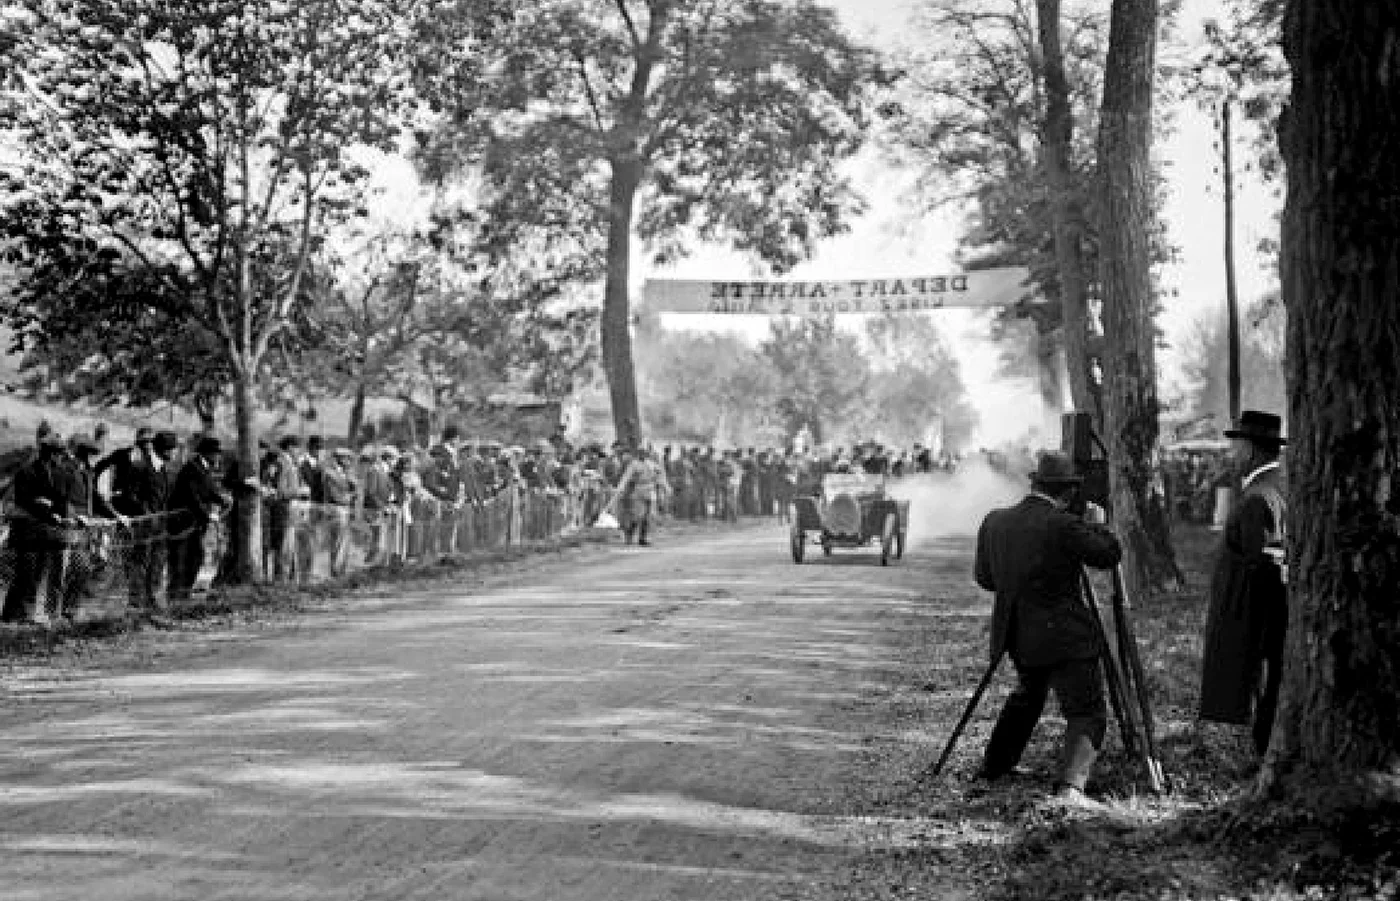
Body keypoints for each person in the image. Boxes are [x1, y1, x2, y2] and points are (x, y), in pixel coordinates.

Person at [973, 450, 1122, 806]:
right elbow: (1108, 554)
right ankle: (1070, 788)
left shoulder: (995, 520)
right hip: (1065, 637)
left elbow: (985, 579)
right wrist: (1095, 524)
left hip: (1017, 634)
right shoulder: (1064, 525)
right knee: (1086, 711)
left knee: (1028, 695)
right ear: (1069, 492)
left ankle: (996, 765)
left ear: (1036, 483)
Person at [1199, 410, 1288, 755]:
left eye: (1236, 446)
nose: (1231, 454)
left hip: (1258, 613)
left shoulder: (1256, 498)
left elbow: (1263, 562)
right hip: (1276, 610)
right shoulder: (1283, 485)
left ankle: (1265, 751)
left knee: (1267, 684)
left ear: (1250, 450)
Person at [96, 429, 176, 612]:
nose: (172, 453)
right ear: (160, 449)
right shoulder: (139, 466)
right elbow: (130, 496)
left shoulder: (164, 469)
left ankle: (152, 602)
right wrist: (146, 513)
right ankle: (135, 605)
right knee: (139, 564)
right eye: (169, 450)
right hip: (143, 526)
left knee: (157, 564)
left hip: (160, 528)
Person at [2, 431, 73, 624]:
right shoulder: (27, 472)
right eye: (57, 452)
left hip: (47, 532)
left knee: (36, 574)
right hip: (27, 533)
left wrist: (52, 509)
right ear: (47, 452)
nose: (59, 456)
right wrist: (42, 506)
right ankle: (21, 615)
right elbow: (23, 501)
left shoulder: (61, 473)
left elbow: (61, 499)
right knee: (26, 575)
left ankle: (15, 614)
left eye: (61, 453)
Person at [166, 436, 229, 603]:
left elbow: (207, 490)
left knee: (195, 558)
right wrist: (207, 515)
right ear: (206, 453)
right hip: (181, 524)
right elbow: (193, 497)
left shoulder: (204, 468)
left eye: (218, 453)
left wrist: (221, 499)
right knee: (180, 561)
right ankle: (175, 597)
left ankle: (183, 595)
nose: (218, 457)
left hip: (194, 524)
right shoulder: (192, 468)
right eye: (215, 453)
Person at [609, 446, 670, 546]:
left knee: (649, 516)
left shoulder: (651, 464)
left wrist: (666, 487)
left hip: (650, 491)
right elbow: (626, 478)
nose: (643, 454)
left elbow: (660, 477)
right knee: (638, 516)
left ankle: (643, 538)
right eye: (641, 452)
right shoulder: (634, 465)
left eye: (644, 452)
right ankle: (629, 534)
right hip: (638, 490)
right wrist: (620, 488)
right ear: (638, 453)